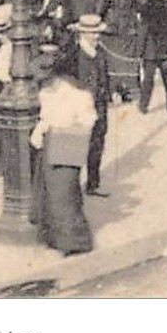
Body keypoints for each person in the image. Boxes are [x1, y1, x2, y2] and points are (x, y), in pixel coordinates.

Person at [31, 52, 96, 256]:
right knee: (49, 193)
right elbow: (45, 117)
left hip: (69, 143)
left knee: (65, 194)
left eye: (47, 81)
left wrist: (70, 127)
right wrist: (42, 130)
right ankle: (54, 238)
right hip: (50, 144)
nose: (43, 85)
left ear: (57, 78)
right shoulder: (45, 93)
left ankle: (75, 241)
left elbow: (89, 119)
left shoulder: (77, 94)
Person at [67, 14, 111, 197]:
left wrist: (110, 92)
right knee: (77, 145)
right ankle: (72, 187)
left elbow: (105, 77)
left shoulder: (100, 52)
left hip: (99, 106)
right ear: (82, 34)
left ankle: (93, 183)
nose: (96, 37)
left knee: (97, 144)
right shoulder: (74, 55)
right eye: (91, 33)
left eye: (97, 33)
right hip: (81, 109)